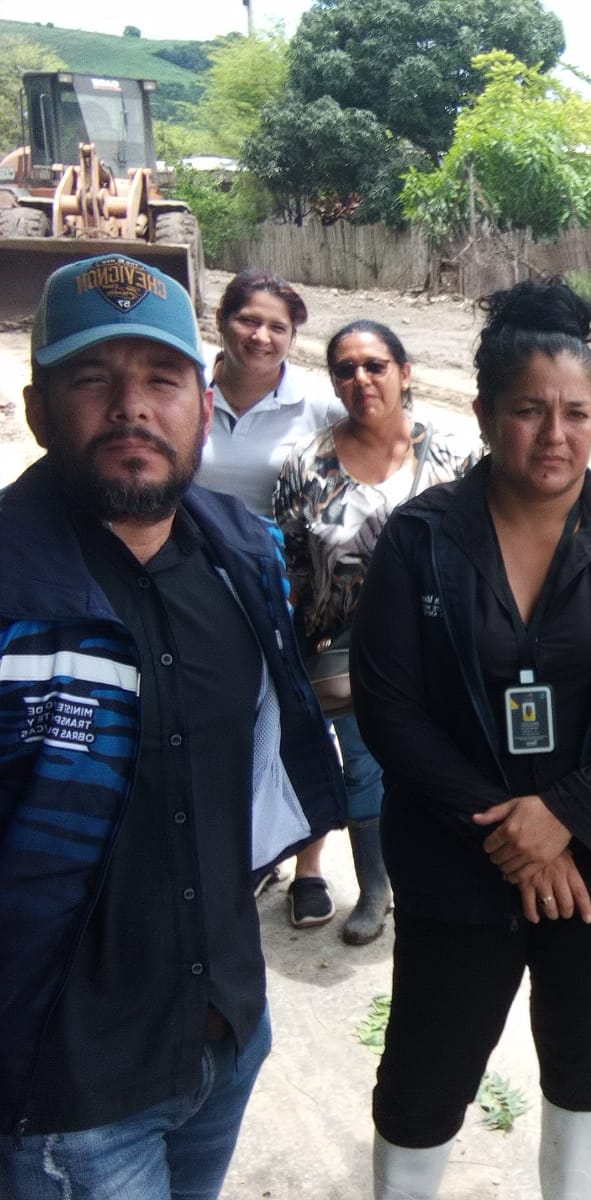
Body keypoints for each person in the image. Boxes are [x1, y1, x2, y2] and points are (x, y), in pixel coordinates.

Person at [350, 278, 591, 1200]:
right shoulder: (421, 538)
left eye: (576, 413)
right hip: (458, 855)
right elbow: (389, 708)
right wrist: (514, 834)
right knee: (428, 1064)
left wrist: (566, 817)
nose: (555, 435)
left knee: (588, 1049)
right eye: (528, 410)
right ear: (484, 415)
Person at [0, 254, 344, 1198]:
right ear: (37, 412)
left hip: (224, 1039)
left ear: (202, 403)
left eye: (161, 379)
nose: (131, 408)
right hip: (71, 1089)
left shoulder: (245, 558)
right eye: (92, 380)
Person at [273, 320, 476, 944]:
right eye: (345, 369)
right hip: (349, 656)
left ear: (404, 372)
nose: (361, 379)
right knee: (363, 768)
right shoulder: (307, 464)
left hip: (442, 650)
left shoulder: (454, 458)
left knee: (443, 764)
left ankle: (444, 884)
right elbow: (292, 563)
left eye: (375, 365)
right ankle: (375, 889)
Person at [195, 268, 345, 929]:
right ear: (221, 321)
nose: (261, 336)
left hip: (284, 593)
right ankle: (253, 850)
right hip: (195, 589)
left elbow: (384, 444)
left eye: (277, 327)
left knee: (297, 720)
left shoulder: (316, 407)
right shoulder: (186, 389)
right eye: (248, 320)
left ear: (292, 337)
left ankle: (308, 866)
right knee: (219, 722)